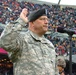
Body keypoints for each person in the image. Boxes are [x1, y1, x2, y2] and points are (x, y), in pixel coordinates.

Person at [0, 8, 58, 75]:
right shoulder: (22, 39)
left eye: (47, 19)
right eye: (42, 19)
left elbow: (55, 70)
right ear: (32, 23)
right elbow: (5, 42)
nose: (46, 22)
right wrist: (21, 21)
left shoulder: (49, 45)